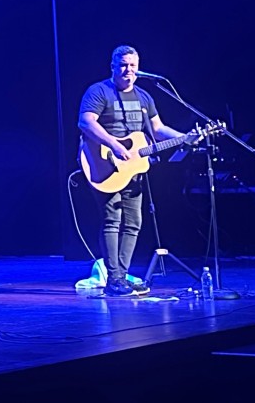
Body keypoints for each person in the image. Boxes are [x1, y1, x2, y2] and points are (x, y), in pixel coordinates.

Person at [77, 44, 191, 296]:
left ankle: (121, 276)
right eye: (123, 65)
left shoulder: (144, 97)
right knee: (112, 220)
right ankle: (114, 279)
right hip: (103, 163)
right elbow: (86, 122)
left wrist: (184, 137)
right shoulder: (99, 91)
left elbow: (158, 129)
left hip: (132, 170)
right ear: (113, 66)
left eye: (133, 66)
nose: (128, 70)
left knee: (134, 222)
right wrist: (115, 145)